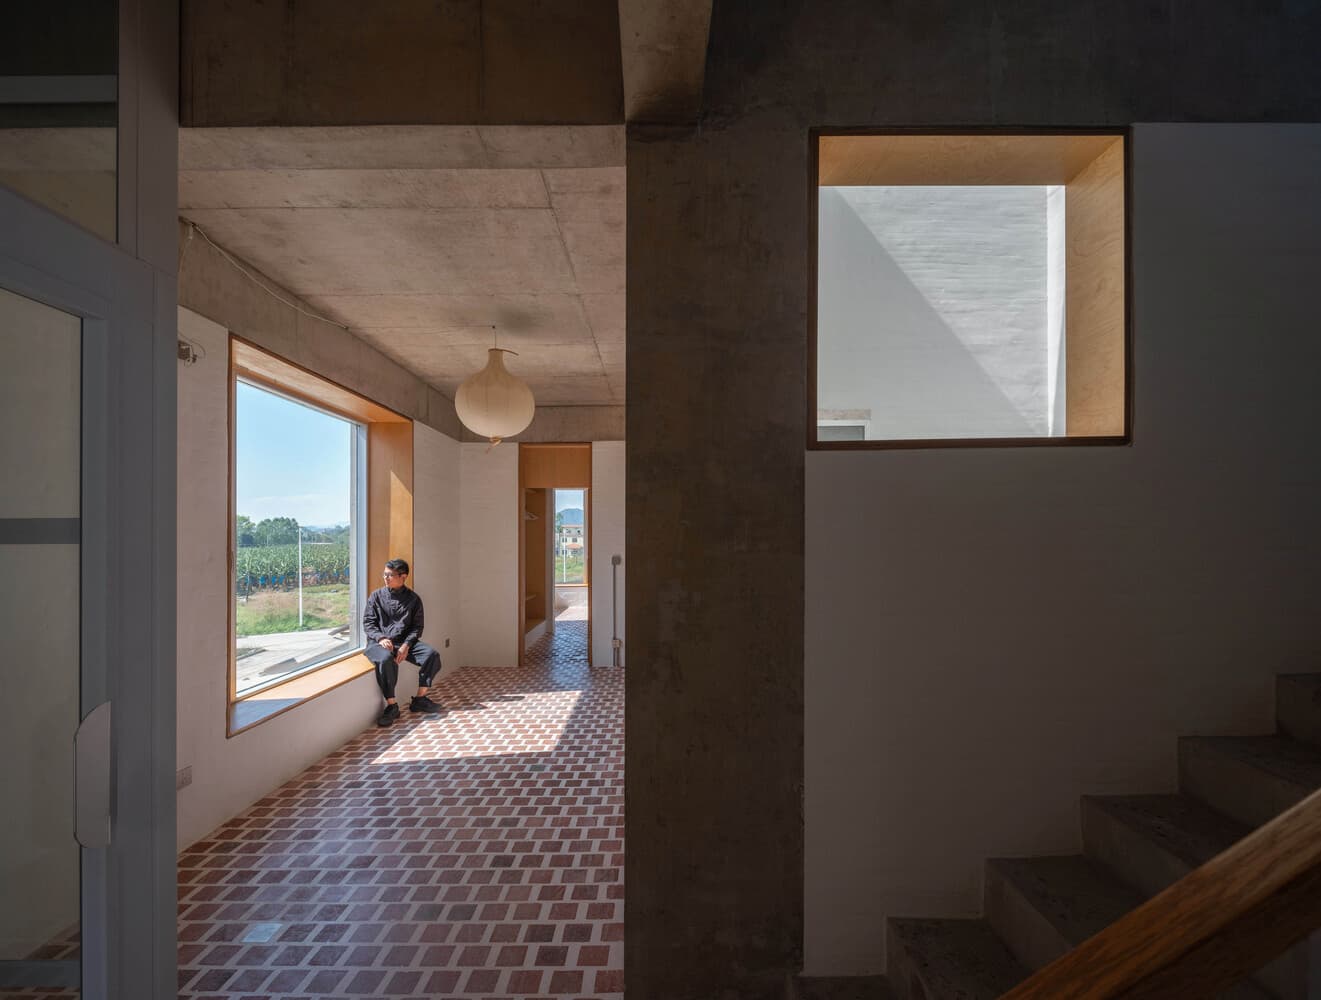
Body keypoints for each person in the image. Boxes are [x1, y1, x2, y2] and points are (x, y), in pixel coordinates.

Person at [363, 558, 444, 726]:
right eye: (385, 574)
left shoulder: (414, 599)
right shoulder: (376, 596)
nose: (386, 578)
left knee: (432, 655)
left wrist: (406, 645)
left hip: (403, 642)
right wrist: (381, 638)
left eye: (390, 575)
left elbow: (417, 627)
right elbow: (368, 623)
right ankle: (392, 706)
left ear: (403, 576)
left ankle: (420, 699)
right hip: (378, 643)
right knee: (386, 659)